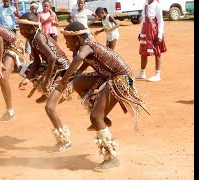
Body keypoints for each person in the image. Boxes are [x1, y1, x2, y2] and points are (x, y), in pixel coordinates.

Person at [56, 22, 150, 171]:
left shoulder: (86, 46)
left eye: (67, 40)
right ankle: (101, 113)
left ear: (77, 39)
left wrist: (64, 80)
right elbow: (86, 61)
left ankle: (112, 158)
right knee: (78, 82)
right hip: (110, 77)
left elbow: (80, 57)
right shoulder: (87, 45)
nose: (66, 44)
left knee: (94, 117)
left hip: (120, 79)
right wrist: (78, 73)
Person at [17, 12, 75, 152]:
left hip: (62, 70)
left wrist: (47, 81)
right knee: (23, 69)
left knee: (49, 108)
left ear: (31, 28)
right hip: (52, 67)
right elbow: (37, 61)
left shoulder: (38, 37)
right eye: (19, 27)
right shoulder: (32, 38)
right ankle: (47, 91)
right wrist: (28, 79)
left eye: (22, 28)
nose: (20, 31)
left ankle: (65, 141)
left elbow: (52, 59)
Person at [135, 0, 167, 82]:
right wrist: (140, 32)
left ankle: (157, 74)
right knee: (143, 51)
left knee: (157, 51)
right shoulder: (145, 4)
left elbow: (160, 21)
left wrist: (159, 35)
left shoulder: (157, 5)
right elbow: (144, 21)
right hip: (145, 30)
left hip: (154, 31)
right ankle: (142, 73)